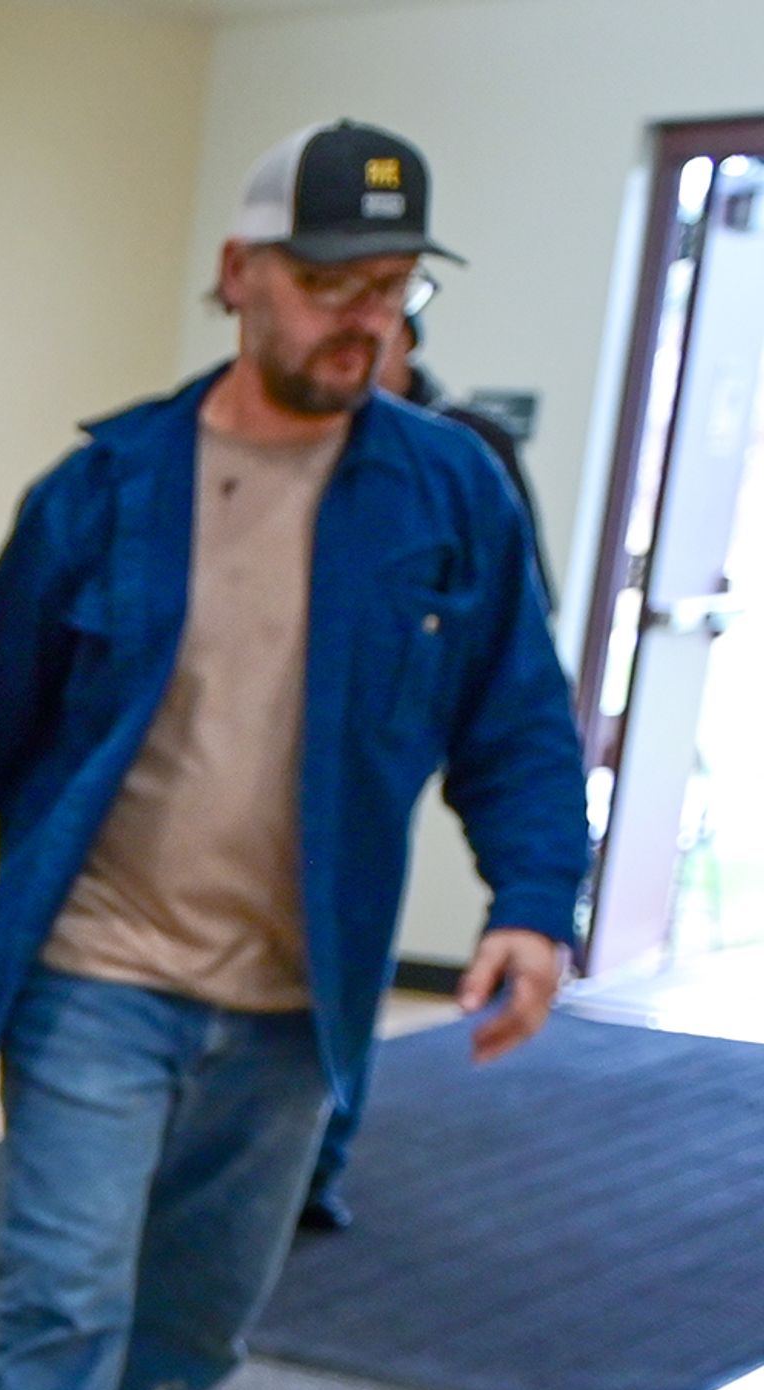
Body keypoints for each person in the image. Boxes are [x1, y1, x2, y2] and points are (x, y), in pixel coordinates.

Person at [0, 118, 588, 1390]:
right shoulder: (105, 490)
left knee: (195, 1319)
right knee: (61, 1294)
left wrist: (536, 904)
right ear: (241, 277)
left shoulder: (450, 494)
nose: (361, 321)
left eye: (391, 289)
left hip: (288, 1000)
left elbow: (521, 722)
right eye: (330, 283)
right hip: (93, 970)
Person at [301, 301, 553, 1231]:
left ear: (409, 340)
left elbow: (516, 640)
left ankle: (319, 1154)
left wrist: (530, 885)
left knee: (347, 941)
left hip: (387, 738)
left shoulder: (463, 457)